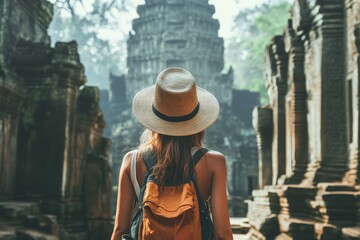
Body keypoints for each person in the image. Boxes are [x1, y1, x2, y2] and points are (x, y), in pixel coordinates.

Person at [111, 67, 233, 240]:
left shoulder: (131, 161)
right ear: (197, 121)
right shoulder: (214, 162)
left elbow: (120, 229)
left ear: (154, 119)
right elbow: (223, 234)